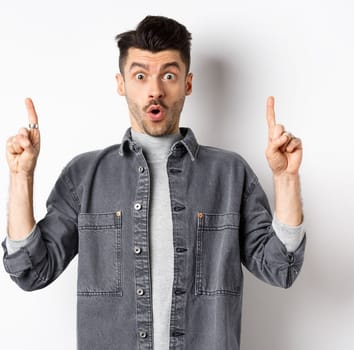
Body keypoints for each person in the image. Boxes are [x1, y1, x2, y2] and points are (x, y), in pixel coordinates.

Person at [3, 15, 306, 349]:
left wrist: (286, 178)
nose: (155, 91)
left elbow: (281, 269)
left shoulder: (230, 174)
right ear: (121, 84)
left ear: (187, 84)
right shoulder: (84, 176)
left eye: (169, 75)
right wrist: (21, 176)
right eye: (140, 75)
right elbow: (32, 272)